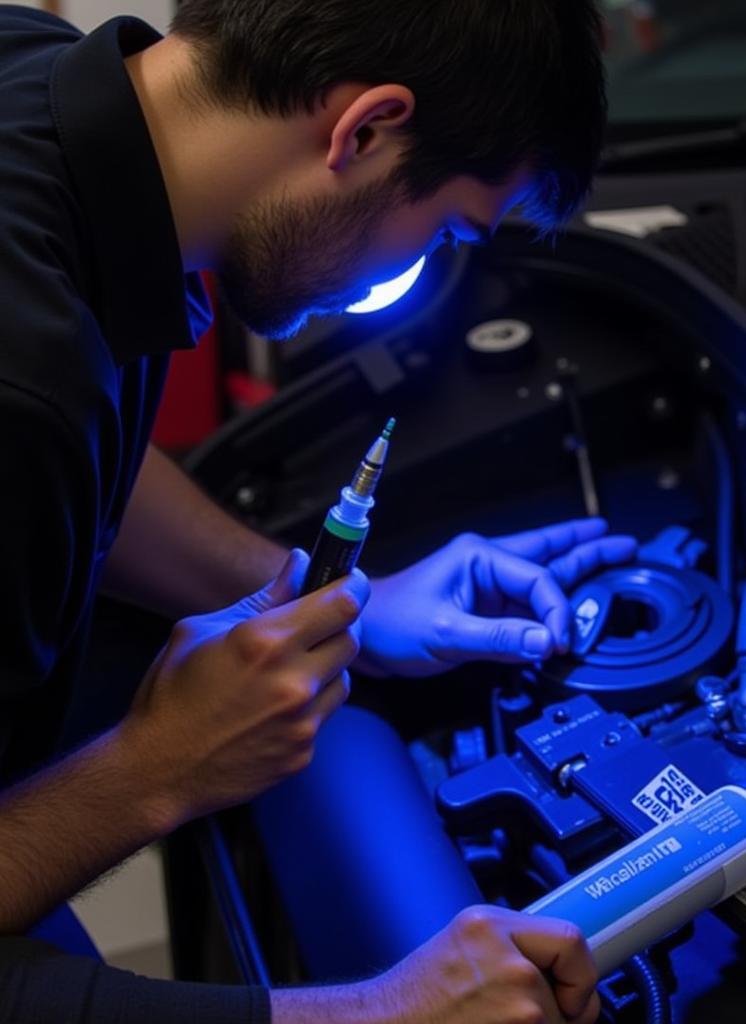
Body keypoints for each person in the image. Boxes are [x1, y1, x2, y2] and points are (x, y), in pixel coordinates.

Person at [0, 1, 634, 1021]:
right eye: (444, 234)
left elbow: (83, 438)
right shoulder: (22, 372)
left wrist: (325, 596)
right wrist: (155, 769)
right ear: (366, 129)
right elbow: (41, 410)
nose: (418, 272)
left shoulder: (31, 68)